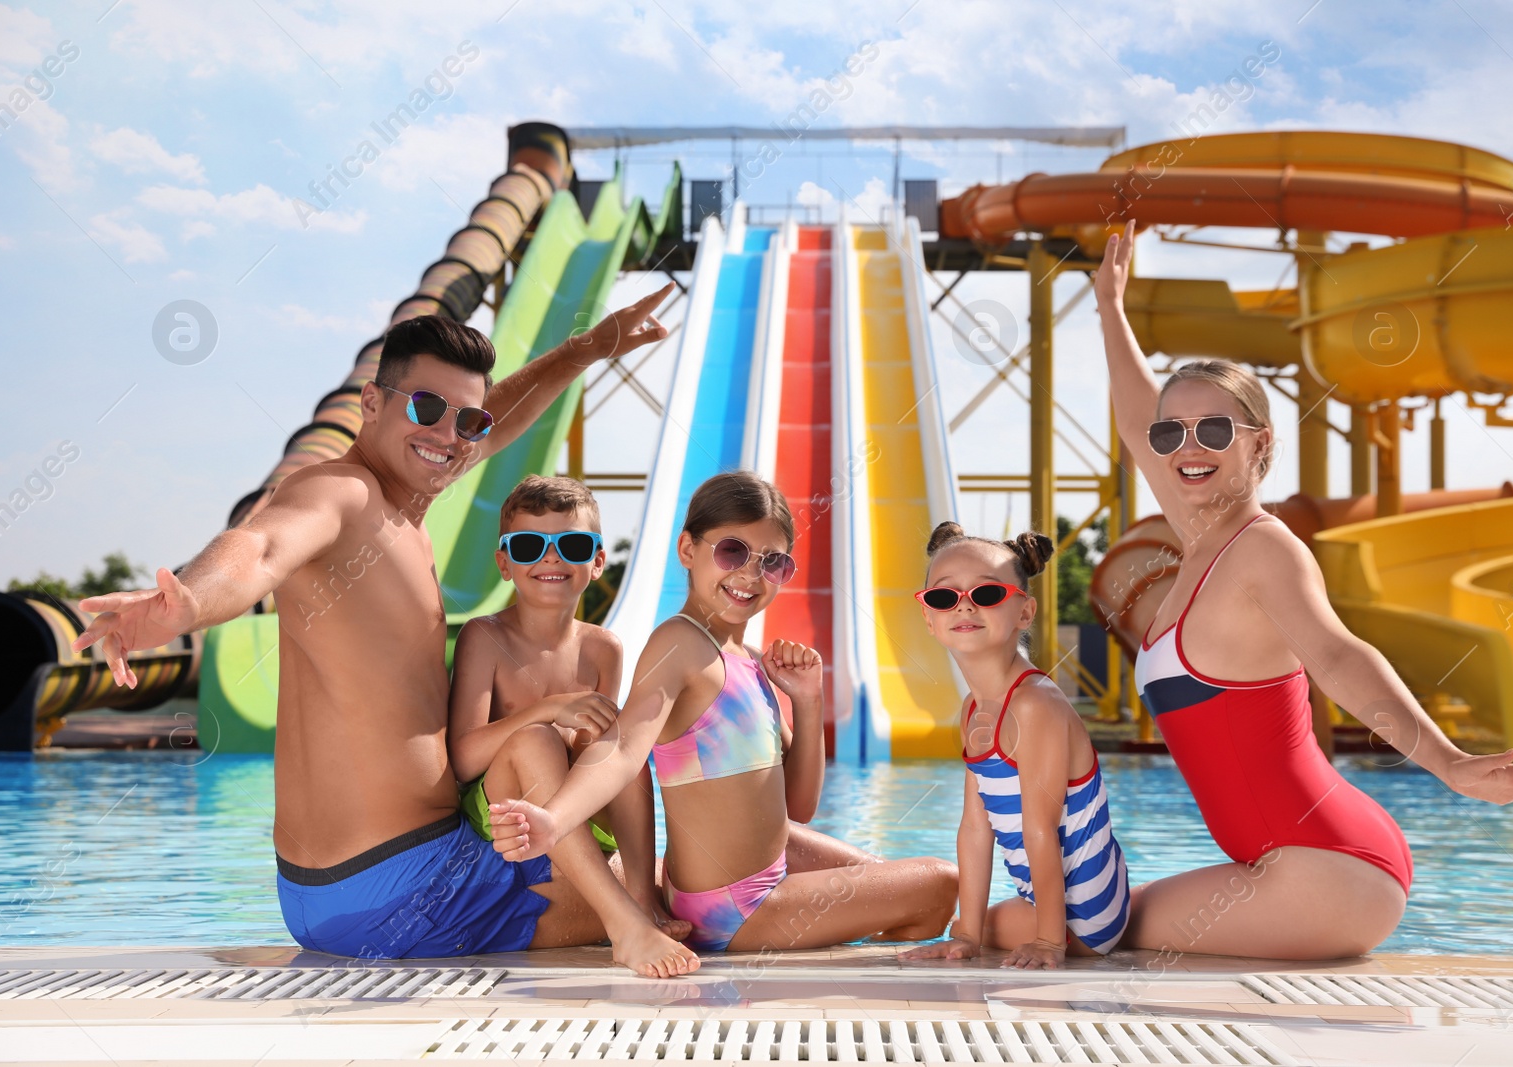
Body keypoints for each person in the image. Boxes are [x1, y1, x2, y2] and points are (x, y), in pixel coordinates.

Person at [73, 288, 685, 965]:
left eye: (466, 423)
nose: (449, 436)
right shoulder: (342, 493)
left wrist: (585, 349)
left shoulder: (404, 509)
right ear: (371, 403)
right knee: (690, 895)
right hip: (405, 886)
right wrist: (188, 599)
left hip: (343, 885)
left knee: (611, 827)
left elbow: (495, 418)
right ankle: (635, 922)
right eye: (426, 408)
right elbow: (260, 549)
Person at [1094, 219, 1513, 960]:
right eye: (1174, 436)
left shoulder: (1264, 550)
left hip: (1330, 870)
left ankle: (922, 902)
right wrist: (1110, 306)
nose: (1185, 448)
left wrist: (1450, 763)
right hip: (1301, 858)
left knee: (1084, 931)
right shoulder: (1201, 539)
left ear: (1259, 441)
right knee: (1069, 922)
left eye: (1214, 430)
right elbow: (1138, 418)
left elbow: (1338, 655)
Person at [489, 471, 959, 952]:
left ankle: (836, 945)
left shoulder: (751, 661)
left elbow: (798, 807)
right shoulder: (680, 643)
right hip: (732, 909)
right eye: (732, 551)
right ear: (688, 550)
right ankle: (852, 958)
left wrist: (807, 700)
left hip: (765, 877)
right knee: (941, 883)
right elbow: (625, 746)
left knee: (887, 876)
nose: (750, 575)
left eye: (772, 562)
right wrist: (554, 819)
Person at [448, 474, 697, 976]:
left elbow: (603, 758)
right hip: (502, 811)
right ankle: (623, 923)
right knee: (539, 737)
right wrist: (546, 709)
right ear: (504, 562)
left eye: (573, 544)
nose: (551, 558)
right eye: (528, 545)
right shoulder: (484, 636)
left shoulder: (604, 647)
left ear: (597, 560)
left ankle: (641, 900)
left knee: (619, 743)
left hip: (575, 813)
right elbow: (461, 758)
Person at [899, 522, 1129, 970]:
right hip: (1052, 900)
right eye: (945, 597)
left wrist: (1049, 941)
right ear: (929, 618)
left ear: (1025, 613)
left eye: (986, 595)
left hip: (1086, 915)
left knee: (957, 923)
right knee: (965, 927)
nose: (964, 606)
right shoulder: (974, 708)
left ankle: (1046, 929)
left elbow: (1039, 829)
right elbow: (974, 827)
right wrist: (966, 934)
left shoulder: (1035, 704)